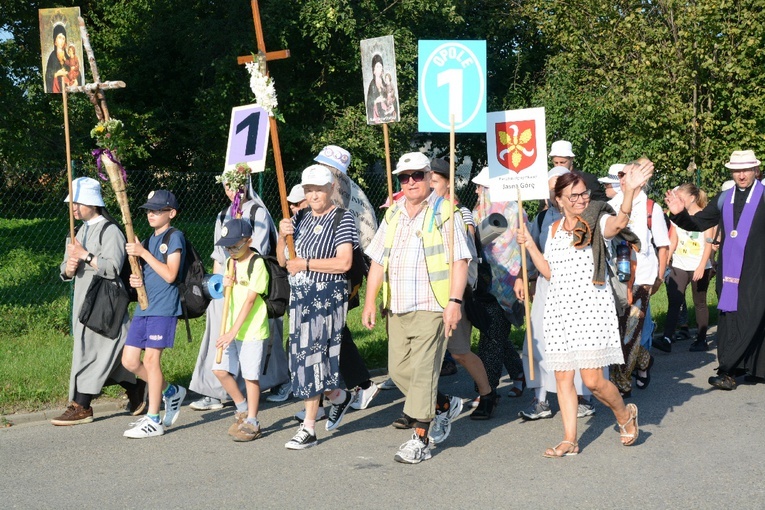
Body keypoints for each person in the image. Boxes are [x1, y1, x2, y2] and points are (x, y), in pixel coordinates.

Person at [515, 165, 652, 456]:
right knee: (564, 378)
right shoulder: (552, 229)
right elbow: (549, 272)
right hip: (559, 310)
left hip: (591, 310)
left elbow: (618, 225)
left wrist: (629, 192)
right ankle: (570, 440)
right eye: (574, 196)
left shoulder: (596, 221)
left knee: (592, 381)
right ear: (559, 199)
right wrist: (529, 245)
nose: (581, 200)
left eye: (584, 194)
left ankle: (624, 414)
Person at [362, 152, 472, 464]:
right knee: (398, 372)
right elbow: (378, 261)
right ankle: (442, 404)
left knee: (424, 372)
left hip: (432, 305)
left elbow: (460, 262)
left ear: (427, 177)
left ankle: (419, 440)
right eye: (404, 177)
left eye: (417, 176)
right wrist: (371, 301)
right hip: (397, 307)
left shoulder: (445, 212)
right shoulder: (393, 214)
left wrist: (453, 303)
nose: (411, 182)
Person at [188, 171, 289, 411]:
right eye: (227, 186)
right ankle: (216, 390)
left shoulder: (257, 212)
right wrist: (216, 289)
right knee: (219, 336)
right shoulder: (222, 214)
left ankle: (278, 381)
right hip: (227, 283)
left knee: (262, 339)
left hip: (253, 283)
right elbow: (218, 254)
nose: (231, 191)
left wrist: (241, 278)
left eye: (236, 185)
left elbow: (260, 251)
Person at [665, 150, 765, 390]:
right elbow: (699, 224)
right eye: (737, 170)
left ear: (755, 171)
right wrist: (679, 214)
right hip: (729, 271)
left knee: (753, 316)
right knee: (730, 318)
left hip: (758, 269)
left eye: (746, 169)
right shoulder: (724, 198)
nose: (741, 175)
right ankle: (747, 368)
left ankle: (729, 370)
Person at [276, 165, 358, 449]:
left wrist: (307, 264)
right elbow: (285, 261)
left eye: (318, 190)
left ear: (330, 189)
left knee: (312, 357)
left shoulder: (343, 219)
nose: (313, 195)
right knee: (301, 357)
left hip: (327, 300)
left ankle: (308, 428)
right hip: (300, 300)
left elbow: (344, 263)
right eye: (308, 191)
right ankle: (338, 396)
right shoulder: (298, 219)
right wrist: (281, 235)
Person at [51, 177, 143, 426]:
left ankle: (81, 405)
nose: (73, 207)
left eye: (77, 202)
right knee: (95, 351)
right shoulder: (77, 230)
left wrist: (85, 256)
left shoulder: (110, 230)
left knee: (93, 351)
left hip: (104, 302)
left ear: (92, 203)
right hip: (83, 300)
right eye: (72, 203)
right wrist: (69, 268)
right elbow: (65, 269)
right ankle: (138, 389)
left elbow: (113, 268)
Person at [516, 166, 598, 421]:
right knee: (538, 340)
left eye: (558, 187)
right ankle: (540, 399)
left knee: (578, 344)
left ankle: (584, 397)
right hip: (546, 286)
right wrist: (523, 275)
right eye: (551, 188)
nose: (554, 192)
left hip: (579, 290)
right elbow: (535, 252)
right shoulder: (542, 219)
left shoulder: (588, 217)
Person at [429, 158, 497, 419]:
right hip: (426, 296)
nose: (429, 186)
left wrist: (458, 296)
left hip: (454, 294)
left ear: (448, 185)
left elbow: (467, 253)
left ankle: (487, 393)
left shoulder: (457, 213)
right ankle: (428, 404)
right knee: (425, 356)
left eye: (434, 181)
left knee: (459, 353)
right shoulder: (419, 213)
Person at [121, 190, 187, 438]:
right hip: (145, 306)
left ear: (171, 213)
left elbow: (171, 274)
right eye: (149, 210)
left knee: (151, 361)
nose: (151, 214)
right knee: (129, 361)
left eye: (157, 210)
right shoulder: (148, 241)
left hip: (164, 308)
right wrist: (137, 281)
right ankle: (171, 391)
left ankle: (153, 419)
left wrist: (143, 253)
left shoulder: (174, 237)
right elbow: (152, 274)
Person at [608, 159, 669, 396]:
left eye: (629, 174)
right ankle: (644, 361)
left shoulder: (651, 208)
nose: (624, 179)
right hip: (614, 279)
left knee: (632, 330)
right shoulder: (610, 205)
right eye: (621, 175)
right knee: (616, 330)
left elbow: (663, 246)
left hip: (642, 278)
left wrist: (659, 278)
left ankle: (622, 382)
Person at [470, 168, 525, 401]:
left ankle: (487, 391)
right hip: (483, 282)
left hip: (509, 283)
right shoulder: (477, 212)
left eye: (481, 187)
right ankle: (519, 374)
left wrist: (522, 277)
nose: (476, 190)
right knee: (494, 333)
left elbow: (522, 249)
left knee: (491, 339)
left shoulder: (514, 210)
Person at [212, 219, 270, 442]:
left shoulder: (257, 264)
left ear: (249, 241)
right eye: (228, 247)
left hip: (251, 330)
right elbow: (227, 295)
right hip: (230, 327)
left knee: (250, 377)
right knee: (219, 369)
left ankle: (253, 421)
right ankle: (242, 407)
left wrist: (232, 332)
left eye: (235, 246)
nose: (231, 251)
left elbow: (249, 302)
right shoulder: (230, 263)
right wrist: (224, 283)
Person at [661, 184, 714, 353]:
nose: (678, 201)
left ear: (692, 198)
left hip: (700, 265)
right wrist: (667, 258)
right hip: (680, 263)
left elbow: (708, 244)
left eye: (681, 197)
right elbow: (674, 239)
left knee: (699, 303)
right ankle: (667, 338)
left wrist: (701, 266)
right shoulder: (677, 216)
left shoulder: (706, 217)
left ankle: (701, 339)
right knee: (675, 300)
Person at [44, 23, 81, 93]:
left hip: (69, 89)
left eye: (63, 38)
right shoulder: (52, 57)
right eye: (59, 37)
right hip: (57, 89)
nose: (62, 41)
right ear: (55, 41)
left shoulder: (68, 57)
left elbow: (77, 73)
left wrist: (76, 80)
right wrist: (57, 74)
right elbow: (48, 75)